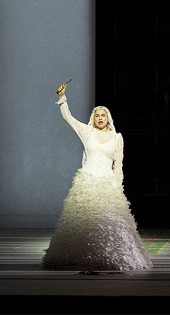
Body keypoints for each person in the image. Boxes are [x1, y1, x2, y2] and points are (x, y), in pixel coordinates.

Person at [41, 81, 152, 271]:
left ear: (108, 118)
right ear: (93, 118)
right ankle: (80, 256)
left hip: (108, 184)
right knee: (83, 222)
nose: (100, 118)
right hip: (87, 181)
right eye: (97, 115)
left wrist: (118, 186)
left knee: (108, 223)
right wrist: (62, 98)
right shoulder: (87, 132)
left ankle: (109, 256)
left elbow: (119, 164)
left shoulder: (117, 137)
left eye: (103, 115)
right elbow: (68, 118)